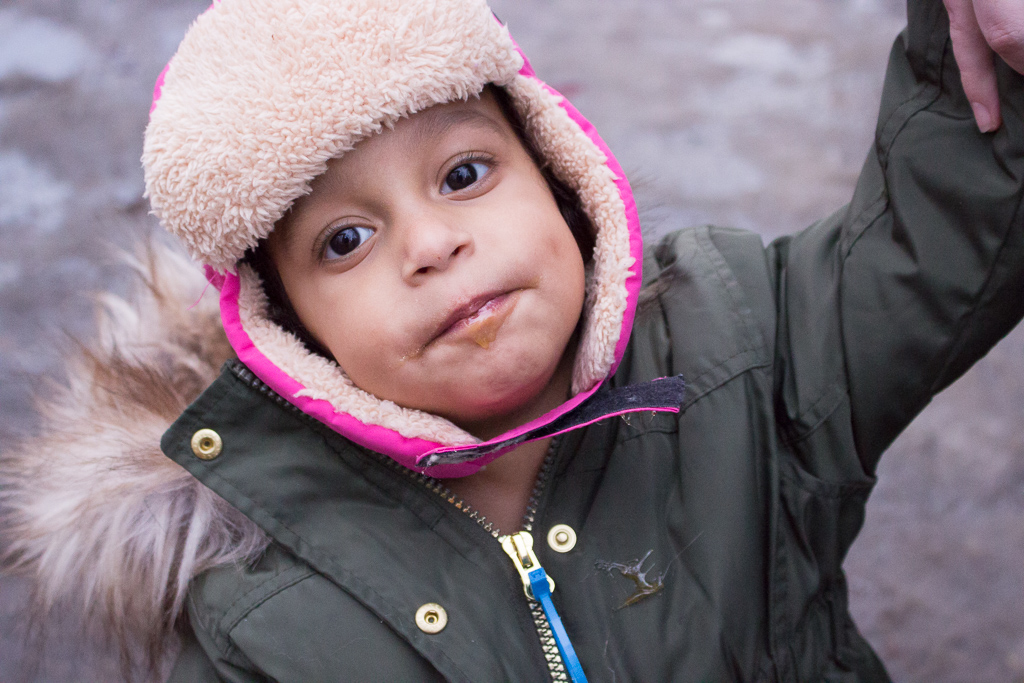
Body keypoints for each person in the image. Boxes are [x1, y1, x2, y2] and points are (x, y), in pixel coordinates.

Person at [2, 0, 1023, 680]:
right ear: (291, 330)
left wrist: (989, 48)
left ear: (561, 172)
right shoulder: (261, 616)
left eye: (462, 174)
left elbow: (942, 224)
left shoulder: (748, 347)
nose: (434, 243)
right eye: (346, 239)